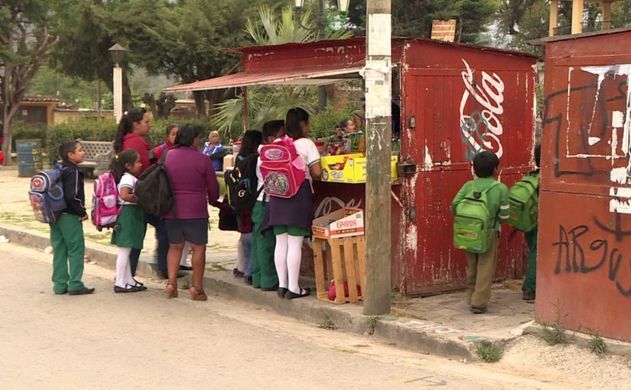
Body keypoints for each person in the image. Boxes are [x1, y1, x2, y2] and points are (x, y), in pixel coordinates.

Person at [265, 108, 321, 299]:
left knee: (281, 242)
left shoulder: (279, 143)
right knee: (295, 243)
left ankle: (282, 285)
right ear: (303, 124)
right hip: (298, 196)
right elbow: (317, 172)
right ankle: (294, 288)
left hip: (277, 195)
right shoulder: (306, 143)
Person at [163, 124, 220, 300]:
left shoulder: (168, 156)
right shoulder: (202, 159)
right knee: (198, 249)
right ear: (193, 138)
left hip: (172, 210)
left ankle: (171, 283)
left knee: (174, 247)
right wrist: (214, 201)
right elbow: (213, 189)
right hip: (195, 210)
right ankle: (196, 288)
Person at [113, 108, 169, 278]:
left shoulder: (128, 141)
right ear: (135, 124)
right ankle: (162, 267)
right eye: (146, 121)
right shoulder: (136, 143)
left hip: (134, 196)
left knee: (135, 238)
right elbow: (144, 171)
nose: (149, 125)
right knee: (160, 229)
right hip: (139, 197)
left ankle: (127, 276)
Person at [451, 151, 509, 314]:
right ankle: (479, 302)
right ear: (495, 170)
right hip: (489, 233)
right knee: (485, 267)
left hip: (467, 231)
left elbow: (454, 205)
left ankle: (470, 296)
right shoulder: (500, 189)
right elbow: (505, 215)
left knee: (472, 265)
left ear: (474, 170)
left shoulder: (468, 186)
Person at [49, 140, 94, 295]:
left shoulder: (60, 169)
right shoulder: (73, 171)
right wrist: (82, 212)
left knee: (59, 249)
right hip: (70, 216)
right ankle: (75, 284)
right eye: (80, 150)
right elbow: (72, 197)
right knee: (75, 249)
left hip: (55, 215)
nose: (83, 152)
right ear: (71, 155)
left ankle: (60, 285)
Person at [251, 120, 284, 291]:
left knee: (259, 242)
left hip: (259, 203)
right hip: (266, 202)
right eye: (281, 135)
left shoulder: (261, 153)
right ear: (271, 138)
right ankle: (269, 279)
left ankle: (258, 277)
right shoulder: (269, 155)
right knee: (266, 243)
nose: (284, 138)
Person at [109, 149, 147, 293]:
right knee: (124, 250)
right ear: (128, 165)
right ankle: (120, 282)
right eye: (137, 162)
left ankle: (128, 279)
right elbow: (125, 195)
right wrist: (141, 199)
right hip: (128, 214)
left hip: (130, 214)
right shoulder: (127, 178)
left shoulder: (128, 177)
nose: (141, 164)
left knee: (128, 248)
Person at [233, 130, 263, 285]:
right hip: (252, 202)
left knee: (245, 238)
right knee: (254, 239)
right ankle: (250, 272)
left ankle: (243, 268)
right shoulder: (256, 160)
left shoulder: (239, 158)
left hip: (240, 202)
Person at [522, 144, 541, 301]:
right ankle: (530, 288)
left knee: (534, 253)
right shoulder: (545, 179)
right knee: (537, 254)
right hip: (539, 222)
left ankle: (531, 285)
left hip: (528, 222)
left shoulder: (531, 176)